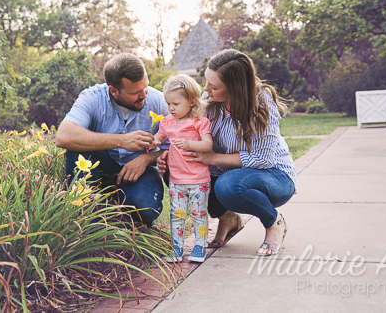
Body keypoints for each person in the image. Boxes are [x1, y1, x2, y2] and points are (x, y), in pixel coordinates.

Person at [161, 49, 295, 256]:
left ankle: (273, 222)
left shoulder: (262, 103)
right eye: (206, 82)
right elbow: (186, 129)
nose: (206, 89)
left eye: (213, 86)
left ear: (235, 88)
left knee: (228, 185)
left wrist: (214, 158)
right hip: (228, 171)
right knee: (176, 172)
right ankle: (228, 218)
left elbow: (263, 158)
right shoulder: (210, 103)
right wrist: (170, 156)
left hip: (274, 176)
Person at [54, 53, 169, 225]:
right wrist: (121, 141)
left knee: (145, 209)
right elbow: (63, 136)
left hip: (139, 170)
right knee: (76, 146)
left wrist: (147, 158)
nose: (144, 95)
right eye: (135, 92)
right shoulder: (92, 97)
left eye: (146, 87)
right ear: (114, 91)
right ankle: (86, 210)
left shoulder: (158, 100)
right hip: (100, 166)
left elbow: (175, 146)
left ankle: (103, 218)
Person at [150, 75, 213, 263]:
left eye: (175, 104)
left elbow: (207, 144)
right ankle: (176, 247)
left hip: (198, 179)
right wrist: (150, 142)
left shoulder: (200, 122)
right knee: (176, 215)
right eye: (168, 103)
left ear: (192, 102)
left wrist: (189, 143)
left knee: (198, 214)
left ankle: (200, 245)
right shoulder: (167, 122)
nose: (170, 108)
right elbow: (158, 139)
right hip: (176, 180)